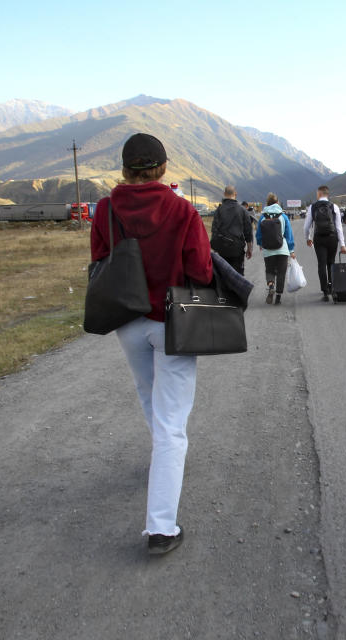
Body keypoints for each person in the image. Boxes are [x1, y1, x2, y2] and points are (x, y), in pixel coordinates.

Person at [90, 133, 213, 555]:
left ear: (126, 169)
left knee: (150, 399)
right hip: (172, 322)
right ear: (162, 167)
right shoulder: (182, 210)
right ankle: (161, 527)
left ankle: (164, 462)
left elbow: (99, 260)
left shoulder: (106, 208)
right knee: (172, 423)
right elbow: (200, 269)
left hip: (127, 321)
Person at [303, 185, 346, 301]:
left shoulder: (312, 207)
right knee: (331, 263)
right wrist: (342, 244)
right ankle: (332, 288)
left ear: (319, 193)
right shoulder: (334, 207)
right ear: (327, 194)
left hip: (319, 238)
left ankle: (325, 292)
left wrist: (308, 238)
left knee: (321, 264)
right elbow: (339, 227)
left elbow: (306, 226)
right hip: (332, 238)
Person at [254, 192, 296, 305]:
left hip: (268, 249)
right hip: (282, 249)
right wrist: (291, 250)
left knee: (270, 270)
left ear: (267, 203)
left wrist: (260, 244)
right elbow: (288, 234)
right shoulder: (283, 216)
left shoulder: (263, 217)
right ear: (277, 203)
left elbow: (258, 234)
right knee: (281, 272)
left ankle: (271, 284)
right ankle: (278, 297)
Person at [211, 187, 253, 275]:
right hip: (237, 249)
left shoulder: (219, 210)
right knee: (237, 274)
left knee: (223, 274)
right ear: (235, 194)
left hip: (222, 249)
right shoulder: (242, 210)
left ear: (224, 194)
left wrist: (214, 247)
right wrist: (249, 248)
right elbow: (248, 231)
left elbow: (214, 229)